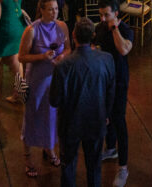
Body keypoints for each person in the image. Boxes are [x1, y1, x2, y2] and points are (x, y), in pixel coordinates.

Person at [50, 18, 116, 187]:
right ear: (93, 35)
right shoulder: (107, 59)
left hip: (70, 123)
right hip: (96, 120)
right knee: (94, 167)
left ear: (73, 35)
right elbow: (111, 91)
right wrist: (106, 114)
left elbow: (54, 100)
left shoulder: (62, 65)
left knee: (68, 168)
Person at [19, 0, 70, 178]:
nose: (54, 13)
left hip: (55, 79)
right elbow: (21, 57)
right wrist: (42, 57)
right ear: (41, 10)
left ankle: (49, 149)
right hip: (37, 80)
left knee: (52, 116)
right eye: (50, 9)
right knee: (32, 116)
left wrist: (61, 57)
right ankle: (28, 158)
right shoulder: (32, 30)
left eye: (56, 9)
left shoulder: (62, 26)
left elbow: (69, 48)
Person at [95, 0, 134, 186]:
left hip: (119, 82)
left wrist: (114, 29)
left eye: (106, 15)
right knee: (106, 115)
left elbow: (124, 50)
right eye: (100, 14)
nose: (102, 19)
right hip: (104, 80)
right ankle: (111, 148)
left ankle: (123, 167)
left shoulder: (125, 30)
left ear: (116, 14)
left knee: (119, 120)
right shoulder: (100, 27)